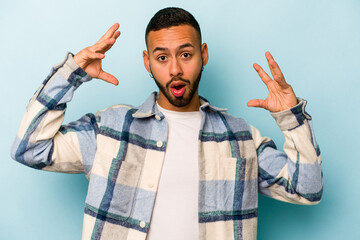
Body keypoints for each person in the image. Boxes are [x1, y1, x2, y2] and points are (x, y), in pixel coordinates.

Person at [11, 7, 322, 240]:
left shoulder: (240, 137)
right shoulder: (109, 129)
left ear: (203, 55)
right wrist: (71, 74)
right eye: (162, 58)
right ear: (147, 62)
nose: (175, 69)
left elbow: (307, 190)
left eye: (185, 54)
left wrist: (290, 118)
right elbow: (29, 148)